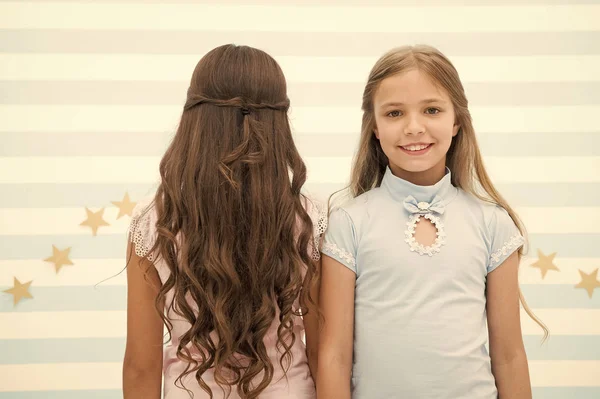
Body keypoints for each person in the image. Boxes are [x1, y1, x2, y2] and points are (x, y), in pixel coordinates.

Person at [317, 45, 547, 399]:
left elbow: (510, 356)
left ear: (456, 122)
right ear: (374, 127)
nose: (414, 127)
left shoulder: (492, 224)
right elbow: (334, 356)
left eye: (432, 110)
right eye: (394, 113)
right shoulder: (349, 223)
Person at [122, 44, 326, 399]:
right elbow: (325, 353)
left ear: (193, 120)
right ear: (279, 124)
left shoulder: (155, 221)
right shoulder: (311, 218)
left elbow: (141, 366)